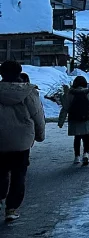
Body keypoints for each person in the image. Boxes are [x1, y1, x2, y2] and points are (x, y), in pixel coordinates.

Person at [0, 60, 46, 224]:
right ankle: (11, 209)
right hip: (22, 141)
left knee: (1, 172)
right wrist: (40, 135)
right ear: (19, 73)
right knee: (19, 174)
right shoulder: (28, 92)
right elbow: (38, 115)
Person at [58, 75, 89, 167]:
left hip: (74, 119)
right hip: (87, 119)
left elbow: (65, 108)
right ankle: (86, 154)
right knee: (86, 138)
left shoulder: (70, 94)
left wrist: (61, 121)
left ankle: (77, 157)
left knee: (77, 138)